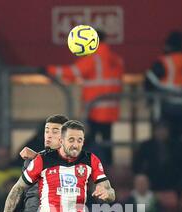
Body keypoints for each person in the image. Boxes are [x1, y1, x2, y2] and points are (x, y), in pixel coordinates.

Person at [45, 31, 123, 166]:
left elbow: (72, 72)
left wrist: (48, 69)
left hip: (94, 110)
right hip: (111, 109)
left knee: (88, 142)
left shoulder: (94, 58)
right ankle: (108, 170)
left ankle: (90, 169)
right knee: (107, 142)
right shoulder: (116, 59)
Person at [144, 30, 182, 139]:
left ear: (168, 45)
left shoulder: (165, 62)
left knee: (164, 143)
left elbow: (148, 80)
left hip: (166, 109)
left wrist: (150, 99)